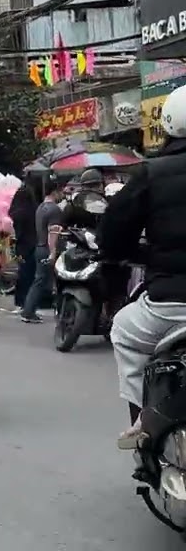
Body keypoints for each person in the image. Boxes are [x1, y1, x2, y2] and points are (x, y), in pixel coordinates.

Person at [103, 86, 186, 449]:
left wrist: (138, 254)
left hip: (169, 304)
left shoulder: (152, 173)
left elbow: (112, 235)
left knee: (123, 330)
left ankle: (143, 424)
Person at [19, 176, 67, 324]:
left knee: (39, 280)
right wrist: (53, 252)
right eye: (61, 191)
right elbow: (53, 233)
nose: (62, 194)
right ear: (55, 191)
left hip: (39, 247)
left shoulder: (40, 207)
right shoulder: (54, 210)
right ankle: (29, 311)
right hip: (47, 248)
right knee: (46, 281)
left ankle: (28, 310)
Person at [8, 178, 41, 313]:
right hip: (34, 245)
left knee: (23, 275)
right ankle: (29, 303)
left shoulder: (17, 213)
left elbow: (17, 233)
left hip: (22, 247)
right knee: (31, 275)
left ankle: (20, 302)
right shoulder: (34, 210)